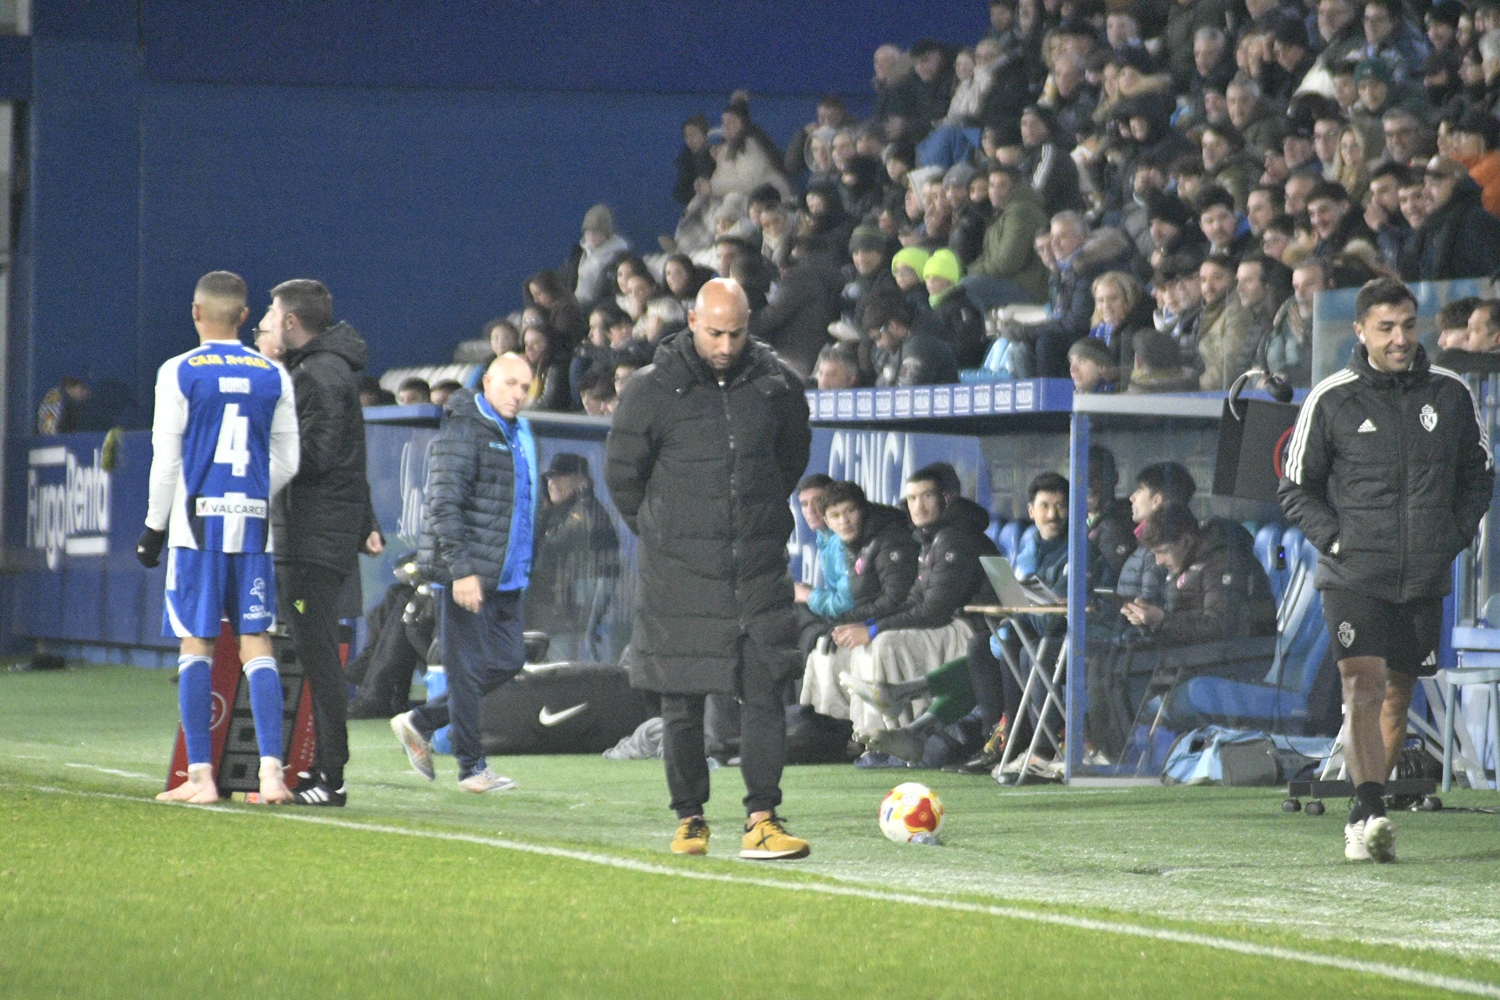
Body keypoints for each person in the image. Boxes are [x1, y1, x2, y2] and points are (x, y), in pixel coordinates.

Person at [1280, 277, 1493, 863]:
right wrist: (1339, 540)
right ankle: (1367, 812)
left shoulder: (1450, 394)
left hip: (1424, 574)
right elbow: (1295, 488)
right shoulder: (1332, 398)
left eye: (1407, 325)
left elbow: (1479, 474)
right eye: (1386, 328)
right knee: (1362, 687)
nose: (1400, 339)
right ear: (1360, 332)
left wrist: (1450, 536)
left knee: (1398, 693)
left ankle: (1370, 808)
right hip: (1353, 576)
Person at [605, 278, 813, 860]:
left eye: (737, 332)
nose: (726, 344)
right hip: (678, 574)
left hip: (756, 570)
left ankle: (763, 818)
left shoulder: (776, 388)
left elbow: (789, 460)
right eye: (715, 331)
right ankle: (691, 818)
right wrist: (665, 532)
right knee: (681, 705)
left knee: (766, 693)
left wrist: (754, 518)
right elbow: (623, 478)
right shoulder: (649, 391)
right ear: (692, 319)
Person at [136, 271, 300, 806]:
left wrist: (154, 527)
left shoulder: (178, 371)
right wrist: (249, 492)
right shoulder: (273, 374)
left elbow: (167, 459)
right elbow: (288, 460)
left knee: (197, 643)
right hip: (252, 528)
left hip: (195, 528)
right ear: (245, 316)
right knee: (258, 644)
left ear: (196, 312)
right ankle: (273, 775)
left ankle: (202, 777)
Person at [391, 354, 539, 793]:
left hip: (507, 577)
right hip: (469, 574)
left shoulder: (519, 432)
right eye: (510, 383)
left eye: (525, 386)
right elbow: (443, 505)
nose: (518, 393)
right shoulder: (465, 429)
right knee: (467, 672)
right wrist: (461, 571)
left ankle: (421, 720)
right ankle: (472, 768)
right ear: (487, 382)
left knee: (509, 661)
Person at [262, 279, 382, 807]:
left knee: (319, 656)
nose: (265, 318)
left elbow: (315, 458)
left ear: (291, 322)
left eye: (271, 310)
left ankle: (331, 775)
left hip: (313, 536)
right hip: (321, 530)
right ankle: (319, 769)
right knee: (316, 653)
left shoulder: (318, 376)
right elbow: (348, 457)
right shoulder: (322, 371)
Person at [800, 466, 995, 743]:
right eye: (912, 498)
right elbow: (913, 600)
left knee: (881, 643)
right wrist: (864, 624)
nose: (919, 506)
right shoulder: (930, 536)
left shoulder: (954, 538)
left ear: (945, 499)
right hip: (951, 622)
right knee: (834, 645)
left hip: (976, 628)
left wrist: (873, 630)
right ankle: (836, 734)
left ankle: (884, 736)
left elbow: (934, 611)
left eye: (927, 496)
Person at [526, 453, 620, 663]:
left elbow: (549, 551)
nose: (552, 483)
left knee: (558, 684)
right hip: (545, 618)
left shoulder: (585, 514)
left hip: (563, 622)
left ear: (582, 482)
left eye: (561, 477)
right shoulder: (558, 513)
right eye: (550, 478)